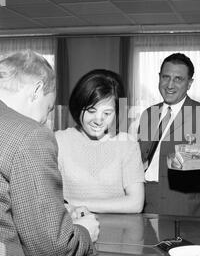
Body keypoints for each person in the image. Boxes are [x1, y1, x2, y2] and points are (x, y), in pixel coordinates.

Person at [0, 50, 100, 256]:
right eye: (48, 108)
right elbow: (53, 254)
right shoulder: (29, 135)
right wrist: (84, 232)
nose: (45, 119)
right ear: (36, 91)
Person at [138, 53, 200, 217]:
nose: (170, 84)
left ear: (189, 83)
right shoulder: (148, 114)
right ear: (159, 78)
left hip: (184, 205)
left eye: (178, 79)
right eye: (166, 77)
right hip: (145, 202)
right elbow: (140, 155)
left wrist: (192, 158)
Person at [55, 69, 145, 213]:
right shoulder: (58, 141)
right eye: (91, 111)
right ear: (78, 106)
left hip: (118, 231)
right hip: (73, 230)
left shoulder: (127, 144)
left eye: (107, 113)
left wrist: (75, 204)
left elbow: (136, 203)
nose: (98, 120)